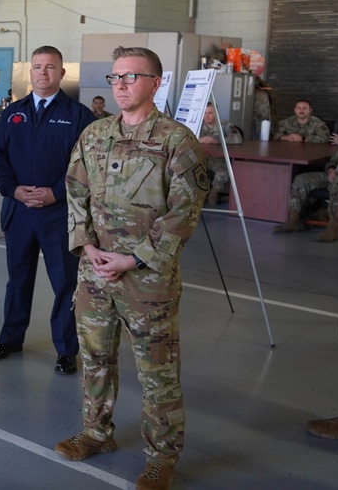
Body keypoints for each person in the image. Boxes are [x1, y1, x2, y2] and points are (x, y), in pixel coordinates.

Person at [57, 46, 208, 490]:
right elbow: (74, 190)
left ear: (155, 83)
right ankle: (96, 432)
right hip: (95, 274)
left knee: (157, 371)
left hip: (147, 281)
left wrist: (133, 257)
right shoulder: (95, 134)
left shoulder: (176, 141)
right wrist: (85, 245)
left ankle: (162, 457)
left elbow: (185, 211)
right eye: (116, 78)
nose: (121, 85)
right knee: (95, 360)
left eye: (131, 77)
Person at [0, 46, 94, 375]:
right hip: (19, 211)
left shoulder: (79, 116)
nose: (43, 73)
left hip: (58, 214)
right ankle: (11, 338)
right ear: (29, 72)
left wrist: (56, 193)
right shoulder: (12, 113)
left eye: (50, 67)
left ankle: (65, 349)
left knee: (64, 283)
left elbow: (88, 167)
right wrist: (14, 190)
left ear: (62, 73)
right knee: (18, 280)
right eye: (37, 67)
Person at [273, 143, 338, 239]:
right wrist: (331, 170)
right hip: (335, 175)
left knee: (336, 187)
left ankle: (333, 229)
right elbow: (332, 161)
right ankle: (293, 221)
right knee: (301, 180)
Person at [197, 102, 243, 206]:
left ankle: (213, 193)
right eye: (204, 113)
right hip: (199, 157)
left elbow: (237, 138)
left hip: (216, 159)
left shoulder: (225, 124)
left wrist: (218, 140)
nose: (206, 116)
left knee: (223, 171)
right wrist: (199, 139)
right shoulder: (197, 123)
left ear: (216, 113)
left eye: (210, 113)